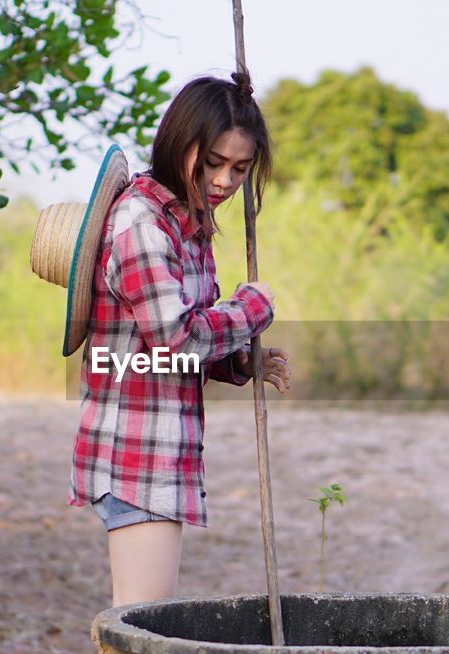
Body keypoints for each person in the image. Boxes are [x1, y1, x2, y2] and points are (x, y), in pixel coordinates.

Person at [67, 72, 292, 608]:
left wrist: (238, 361)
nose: (223, 181)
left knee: (148, 623)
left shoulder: (190, 222)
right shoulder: (142, 223)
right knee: (143, 628)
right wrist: (253, 308)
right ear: (179, 140)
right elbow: (175, 339)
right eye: (213, 162)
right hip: (135, 451)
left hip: (163, 449)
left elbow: (167, 342)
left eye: (240, 168)